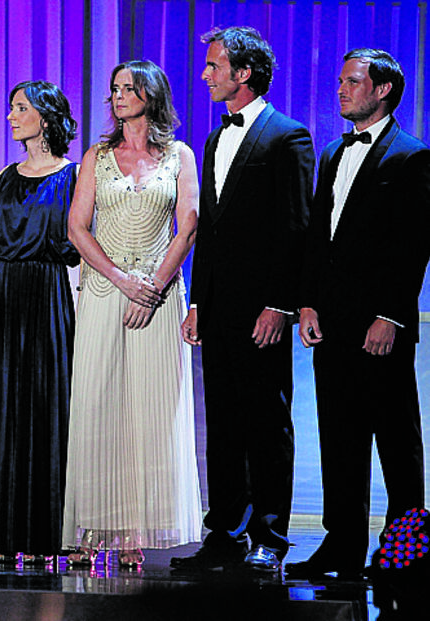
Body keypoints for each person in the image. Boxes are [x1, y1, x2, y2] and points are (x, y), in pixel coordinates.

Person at [173, 27, 314, 573]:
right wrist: (198, 302)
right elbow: (210, 230)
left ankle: (270, 535)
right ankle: (225, 532)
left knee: (266, 422)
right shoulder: (213, 139)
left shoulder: (287, 137)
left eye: (214, 66)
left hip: (262, 310)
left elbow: (295, 228)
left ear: (244, 73)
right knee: (225, 424)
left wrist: (280, 304)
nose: (205, 74)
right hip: (220, 306)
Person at [286, 49, 430, 580]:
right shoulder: (330, 154)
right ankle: (342, 545)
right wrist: (306, 301)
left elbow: (412, 246)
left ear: (384, 89)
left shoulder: (411, 157)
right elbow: (317, 240)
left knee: (396, 441)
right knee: (340, 438)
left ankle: (407, 553)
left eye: (353, 81)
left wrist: (391, 316)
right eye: (341, 81)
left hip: (380, 326)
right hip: (332, 323)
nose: (342, 90)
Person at [61, 60, 202, 569]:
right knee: (98, 408)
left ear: (152, 95)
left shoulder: (179, 155)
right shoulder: (97, 157)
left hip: (159, 297)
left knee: (150, 413)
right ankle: (90, 528)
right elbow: (78, 228)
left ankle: (133, 532)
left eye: (129, 89)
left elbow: (187, 228)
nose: (119, 97)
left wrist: (153, 290)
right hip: (103, 290)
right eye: (115, 89)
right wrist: (122, 282)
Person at [0, 81, 79, 566]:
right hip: (7, 295)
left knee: (47, 408)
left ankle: (45, 534)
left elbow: (80, 251)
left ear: (47, 118)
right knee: (3, 410)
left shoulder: (74, 175)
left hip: (50, 293)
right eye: (11, 108)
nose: (11, 117)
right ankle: (3, 531)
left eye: (21, 109)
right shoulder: (7, 177)